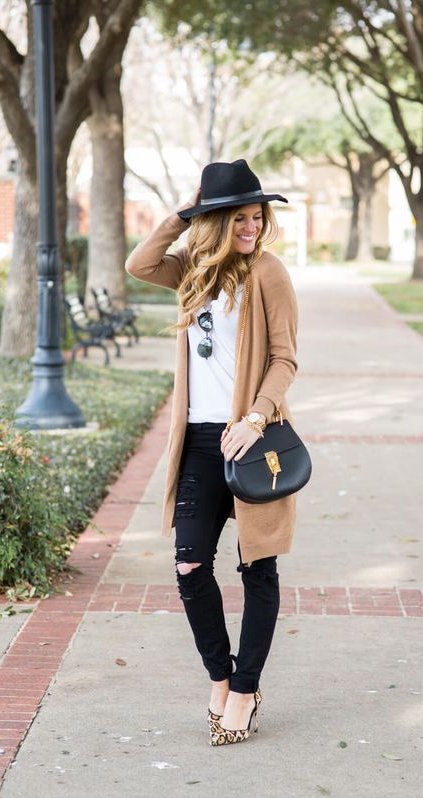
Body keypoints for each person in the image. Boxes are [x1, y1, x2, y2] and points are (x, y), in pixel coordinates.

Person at [125, 158, 299, 746]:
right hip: (199, 441)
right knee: (191, 566)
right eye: (238, 217)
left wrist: (255, 417)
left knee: (258, 567)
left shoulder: (268, 272)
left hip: (252, 440)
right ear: (216, 221)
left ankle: (245, 690)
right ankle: (220, 677)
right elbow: (139, 263)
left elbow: (285, 359)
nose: (251, 227)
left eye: (257, 216)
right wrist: (182, 215)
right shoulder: (191, 270)